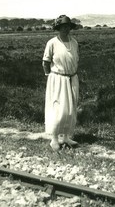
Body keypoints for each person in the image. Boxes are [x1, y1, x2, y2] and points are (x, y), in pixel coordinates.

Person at [42, 15, 80, 151]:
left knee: (70, 109)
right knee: (58, 109)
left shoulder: (74, 42)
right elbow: (45, 62)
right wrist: (50, 76)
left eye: (68, 27)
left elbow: (76, 60)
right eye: (63, 27)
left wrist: (72, 74)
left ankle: (65, 137)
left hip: (72, 78)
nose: (66, 29)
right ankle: (54, 139)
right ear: (58, 28)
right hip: (57, 79)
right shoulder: (52, 43)